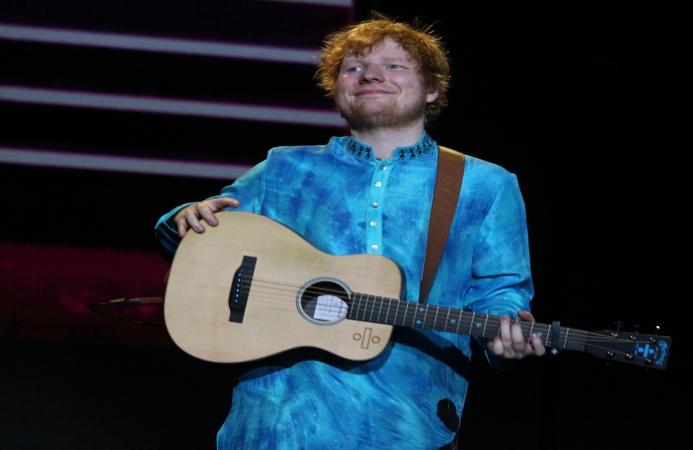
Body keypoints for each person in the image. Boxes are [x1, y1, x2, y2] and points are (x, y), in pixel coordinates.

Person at [155, 16, 545, 450]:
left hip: (407, 424)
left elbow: (502, 291)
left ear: (432, 89)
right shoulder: (284, 167)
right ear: (336, 87)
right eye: (354, 67)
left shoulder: (484, 184)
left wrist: (506, 335)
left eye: (395, 66)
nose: (371, 74)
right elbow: (201, 236)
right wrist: (186, 219)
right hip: (275, 423)